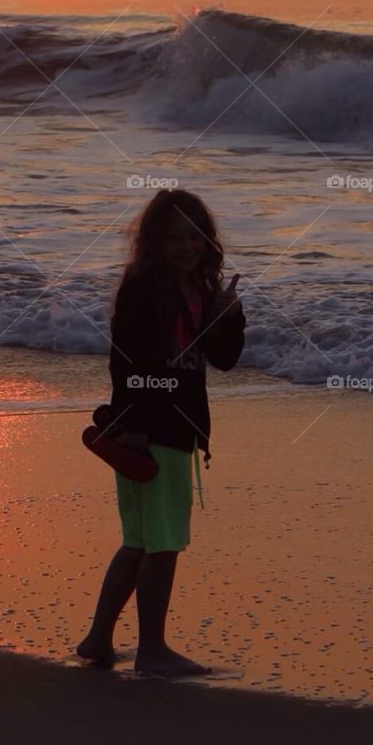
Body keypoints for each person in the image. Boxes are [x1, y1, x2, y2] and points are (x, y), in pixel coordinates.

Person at [76, 188, 246, 677]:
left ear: (207, 239)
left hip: (171, 429)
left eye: (194, 237)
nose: (186, 247)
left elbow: (225, 360)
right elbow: (125, 363)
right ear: (155, 241)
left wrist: (226, 318)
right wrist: (136, 425)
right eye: (175, 238)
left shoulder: (202, 289)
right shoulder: (144, 287)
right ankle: (151, 650)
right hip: (152, 433)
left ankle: (97, 639)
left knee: (140, 540)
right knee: (162, 543)